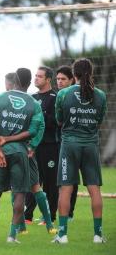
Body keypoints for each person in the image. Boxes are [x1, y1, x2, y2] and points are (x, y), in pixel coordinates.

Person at [0, 68, 43, 244]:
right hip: (20, 152)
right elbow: (33, 131)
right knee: (20, 193)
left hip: (0, 153)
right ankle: (12, 236)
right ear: (30, 82)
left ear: (16, 80)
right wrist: (12, 139)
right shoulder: (35, 104)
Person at [53, 58, 107, 244]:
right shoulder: (100, 95)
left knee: (65, 190)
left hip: (69, 145)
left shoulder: (63, 94)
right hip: (90, 145)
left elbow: (59, 119)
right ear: (91, 73)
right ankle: (98, 235)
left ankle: (62, 235)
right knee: (95, 190)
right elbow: (99, 120)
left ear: (73, 74)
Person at [0, 73, 57, 235]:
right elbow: (41, 126)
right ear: (29, 82)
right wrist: (33, 146)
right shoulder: (31, 101)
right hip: (26, 150)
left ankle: (21, 227)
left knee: (16, 188)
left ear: (12, 84)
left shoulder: (7, 100)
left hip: (13, 151)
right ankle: (49, 225)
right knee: (35, 187)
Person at [24, 66, 59, 225]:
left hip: (50, 145)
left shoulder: (55, 97)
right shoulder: (31, 98)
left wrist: (40, 117)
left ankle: (49, 216)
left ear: (48, 79)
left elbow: (55, 122)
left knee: (50, 182)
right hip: (33, 146)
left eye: (39, 76)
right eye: (35, 76)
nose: (36, 78)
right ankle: (28, 216)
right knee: (32, 180)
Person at [56, 65, 78, 221]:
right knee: (58, 180)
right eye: (57, 79)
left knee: (71, 179)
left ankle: (69, 213)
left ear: (72, 79)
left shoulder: (75, 96)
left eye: (63, 79)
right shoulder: (58, 96)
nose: (59, 82)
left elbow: (59, 120)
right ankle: (54, 213)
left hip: (71, 143)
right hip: (56, 143)